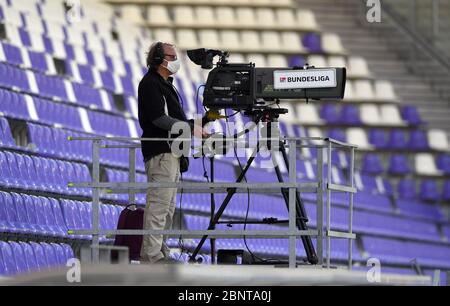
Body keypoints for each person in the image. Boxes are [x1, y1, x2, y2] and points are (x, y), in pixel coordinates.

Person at [138, 42, 208, 264]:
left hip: (173, 154)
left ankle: (161, 253)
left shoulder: (166, 84)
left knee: (167, 209)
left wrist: (206, 119)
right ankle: (151, 257)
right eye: (172, 56)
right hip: (161, 153)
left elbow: (177, 121)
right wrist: (190, 128)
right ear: (160, 59)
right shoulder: (150, 83)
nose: (176, 60)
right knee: (159, 206)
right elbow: (159, 118)